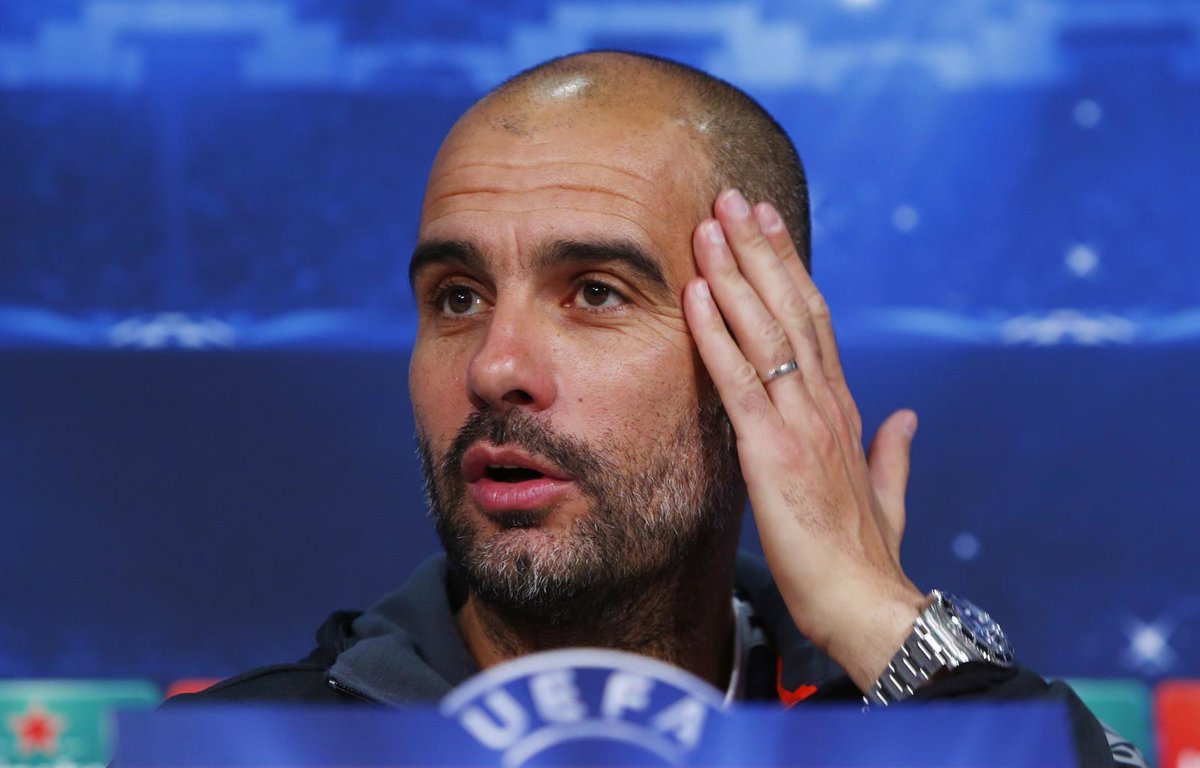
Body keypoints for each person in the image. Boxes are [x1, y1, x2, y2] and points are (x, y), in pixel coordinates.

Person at [173, 51, 1145, 766]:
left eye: (595, 292)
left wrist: (880, 622)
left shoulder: (901, 746)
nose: (495, 367)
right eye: (457, 298)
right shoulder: (238, 752)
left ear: (761, 350)